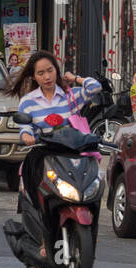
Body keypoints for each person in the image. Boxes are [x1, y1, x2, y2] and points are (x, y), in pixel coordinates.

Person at [6, 50, 102, 253]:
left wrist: (75, 78)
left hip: (71, 154)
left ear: (56, 71)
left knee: (94, 186)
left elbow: (95, 87)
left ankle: (89, 234)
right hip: (43, 154)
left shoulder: (70, 95)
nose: (47, 76)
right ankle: (43, 238)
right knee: (42, 193)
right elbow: (25, 127)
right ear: (34, 77)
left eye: (50, 70)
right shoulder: (28, 101)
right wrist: (26, 136)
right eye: (41, 73)